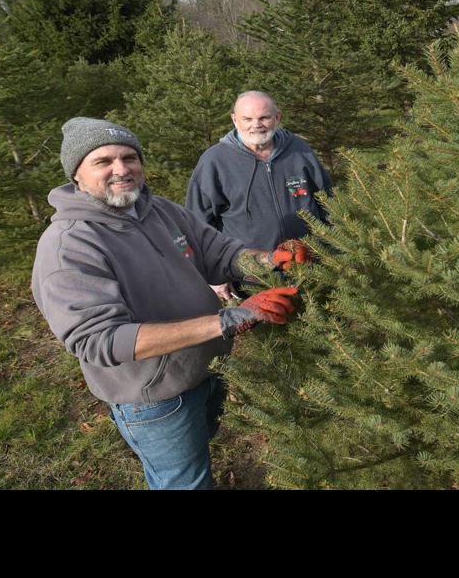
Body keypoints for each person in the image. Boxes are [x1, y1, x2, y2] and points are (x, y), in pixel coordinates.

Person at [30, 117, 313, 490]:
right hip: (155, 397)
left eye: (129, 157)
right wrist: (227, 321)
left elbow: (219, 254)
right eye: (104, 161)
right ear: (77, 175)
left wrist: (269, 260)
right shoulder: (69, 245)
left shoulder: (159, 210)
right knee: (184, 482)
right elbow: (100, 341)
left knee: (197, 449)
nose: (122, 169)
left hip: (205, 368)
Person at [187, 91, 332, 300]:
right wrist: (213, 275)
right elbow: (197, 224)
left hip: (311, 268)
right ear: (234, 119)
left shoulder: (299, 150)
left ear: (277, 118)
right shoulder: (214, 161)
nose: (256, 125)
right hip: (252, 277)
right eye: (247, 119)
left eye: (264, 117)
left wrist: (338, 254)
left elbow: (327, 202)